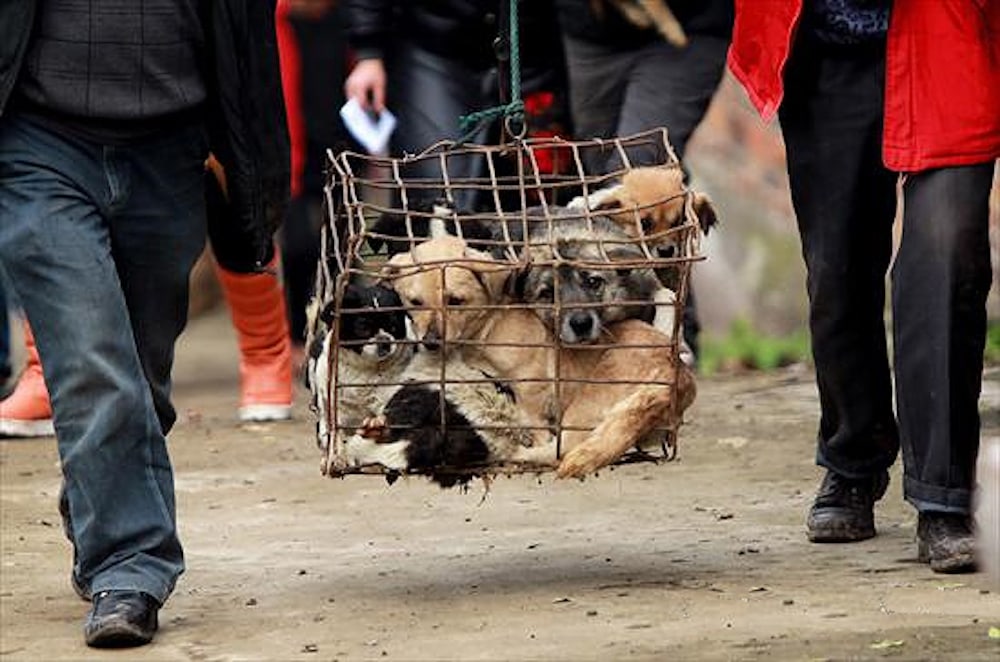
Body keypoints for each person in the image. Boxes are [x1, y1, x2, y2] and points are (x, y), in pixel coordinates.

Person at [0, 0, 289, 648]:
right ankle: (129, 567)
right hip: (38, 143)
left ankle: (98, 497)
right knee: (94, 360)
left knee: (139, 375)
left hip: (170, 146)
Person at [728, 0, 999, 572]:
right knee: (837, 269)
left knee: (946, 267)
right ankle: (853, 457)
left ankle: (942, 498)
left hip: (948, 40)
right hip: (829, 51)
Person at [554, 0, 734, 360]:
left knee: (637, 168)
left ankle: (669, 342)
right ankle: (645, 332)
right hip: (591, 37)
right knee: (603, 182)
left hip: (684, 32)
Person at [343, 0, 567, 210]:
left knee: (544, 202)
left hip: (536, 54)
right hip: (435, 51)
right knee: (435, 199)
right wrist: (368, 52)